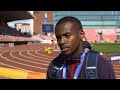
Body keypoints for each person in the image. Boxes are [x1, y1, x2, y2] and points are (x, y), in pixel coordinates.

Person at [46, 16, 115, 79]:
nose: (61, 42)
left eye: (67, 36)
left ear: (81, 35)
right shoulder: (54, 67)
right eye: (58, 37)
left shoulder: (101, 66)